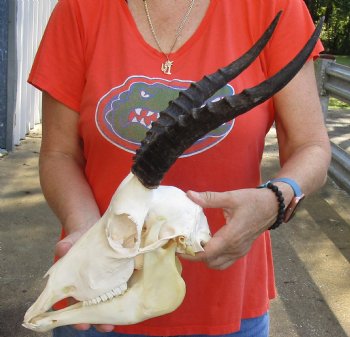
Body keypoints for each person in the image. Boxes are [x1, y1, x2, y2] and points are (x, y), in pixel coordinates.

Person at [28, 0, 331, 336]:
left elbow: (311, 147)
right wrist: (86, 230)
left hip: (227, 306)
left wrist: (275, 199)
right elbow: (59, 154)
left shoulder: (275, 7)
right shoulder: (79, 10)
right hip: (96, 289)